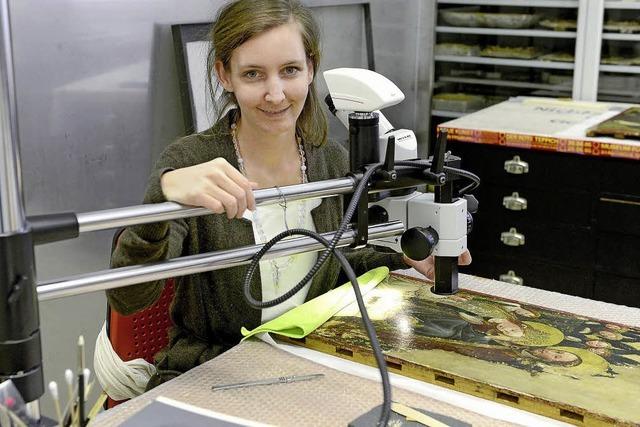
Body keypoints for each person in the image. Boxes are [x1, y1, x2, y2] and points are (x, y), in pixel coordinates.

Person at [106, 0, 471, 390]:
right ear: (224, 75)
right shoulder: (192, 162)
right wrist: (163, 196)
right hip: (212, 372)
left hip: (310, 364)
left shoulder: (331, 162)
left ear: (311, 69)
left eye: (290, 70)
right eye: (253, 74)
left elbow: (333, 264)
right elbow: (128, 299)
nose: (275, 94)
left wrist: (405, 256)